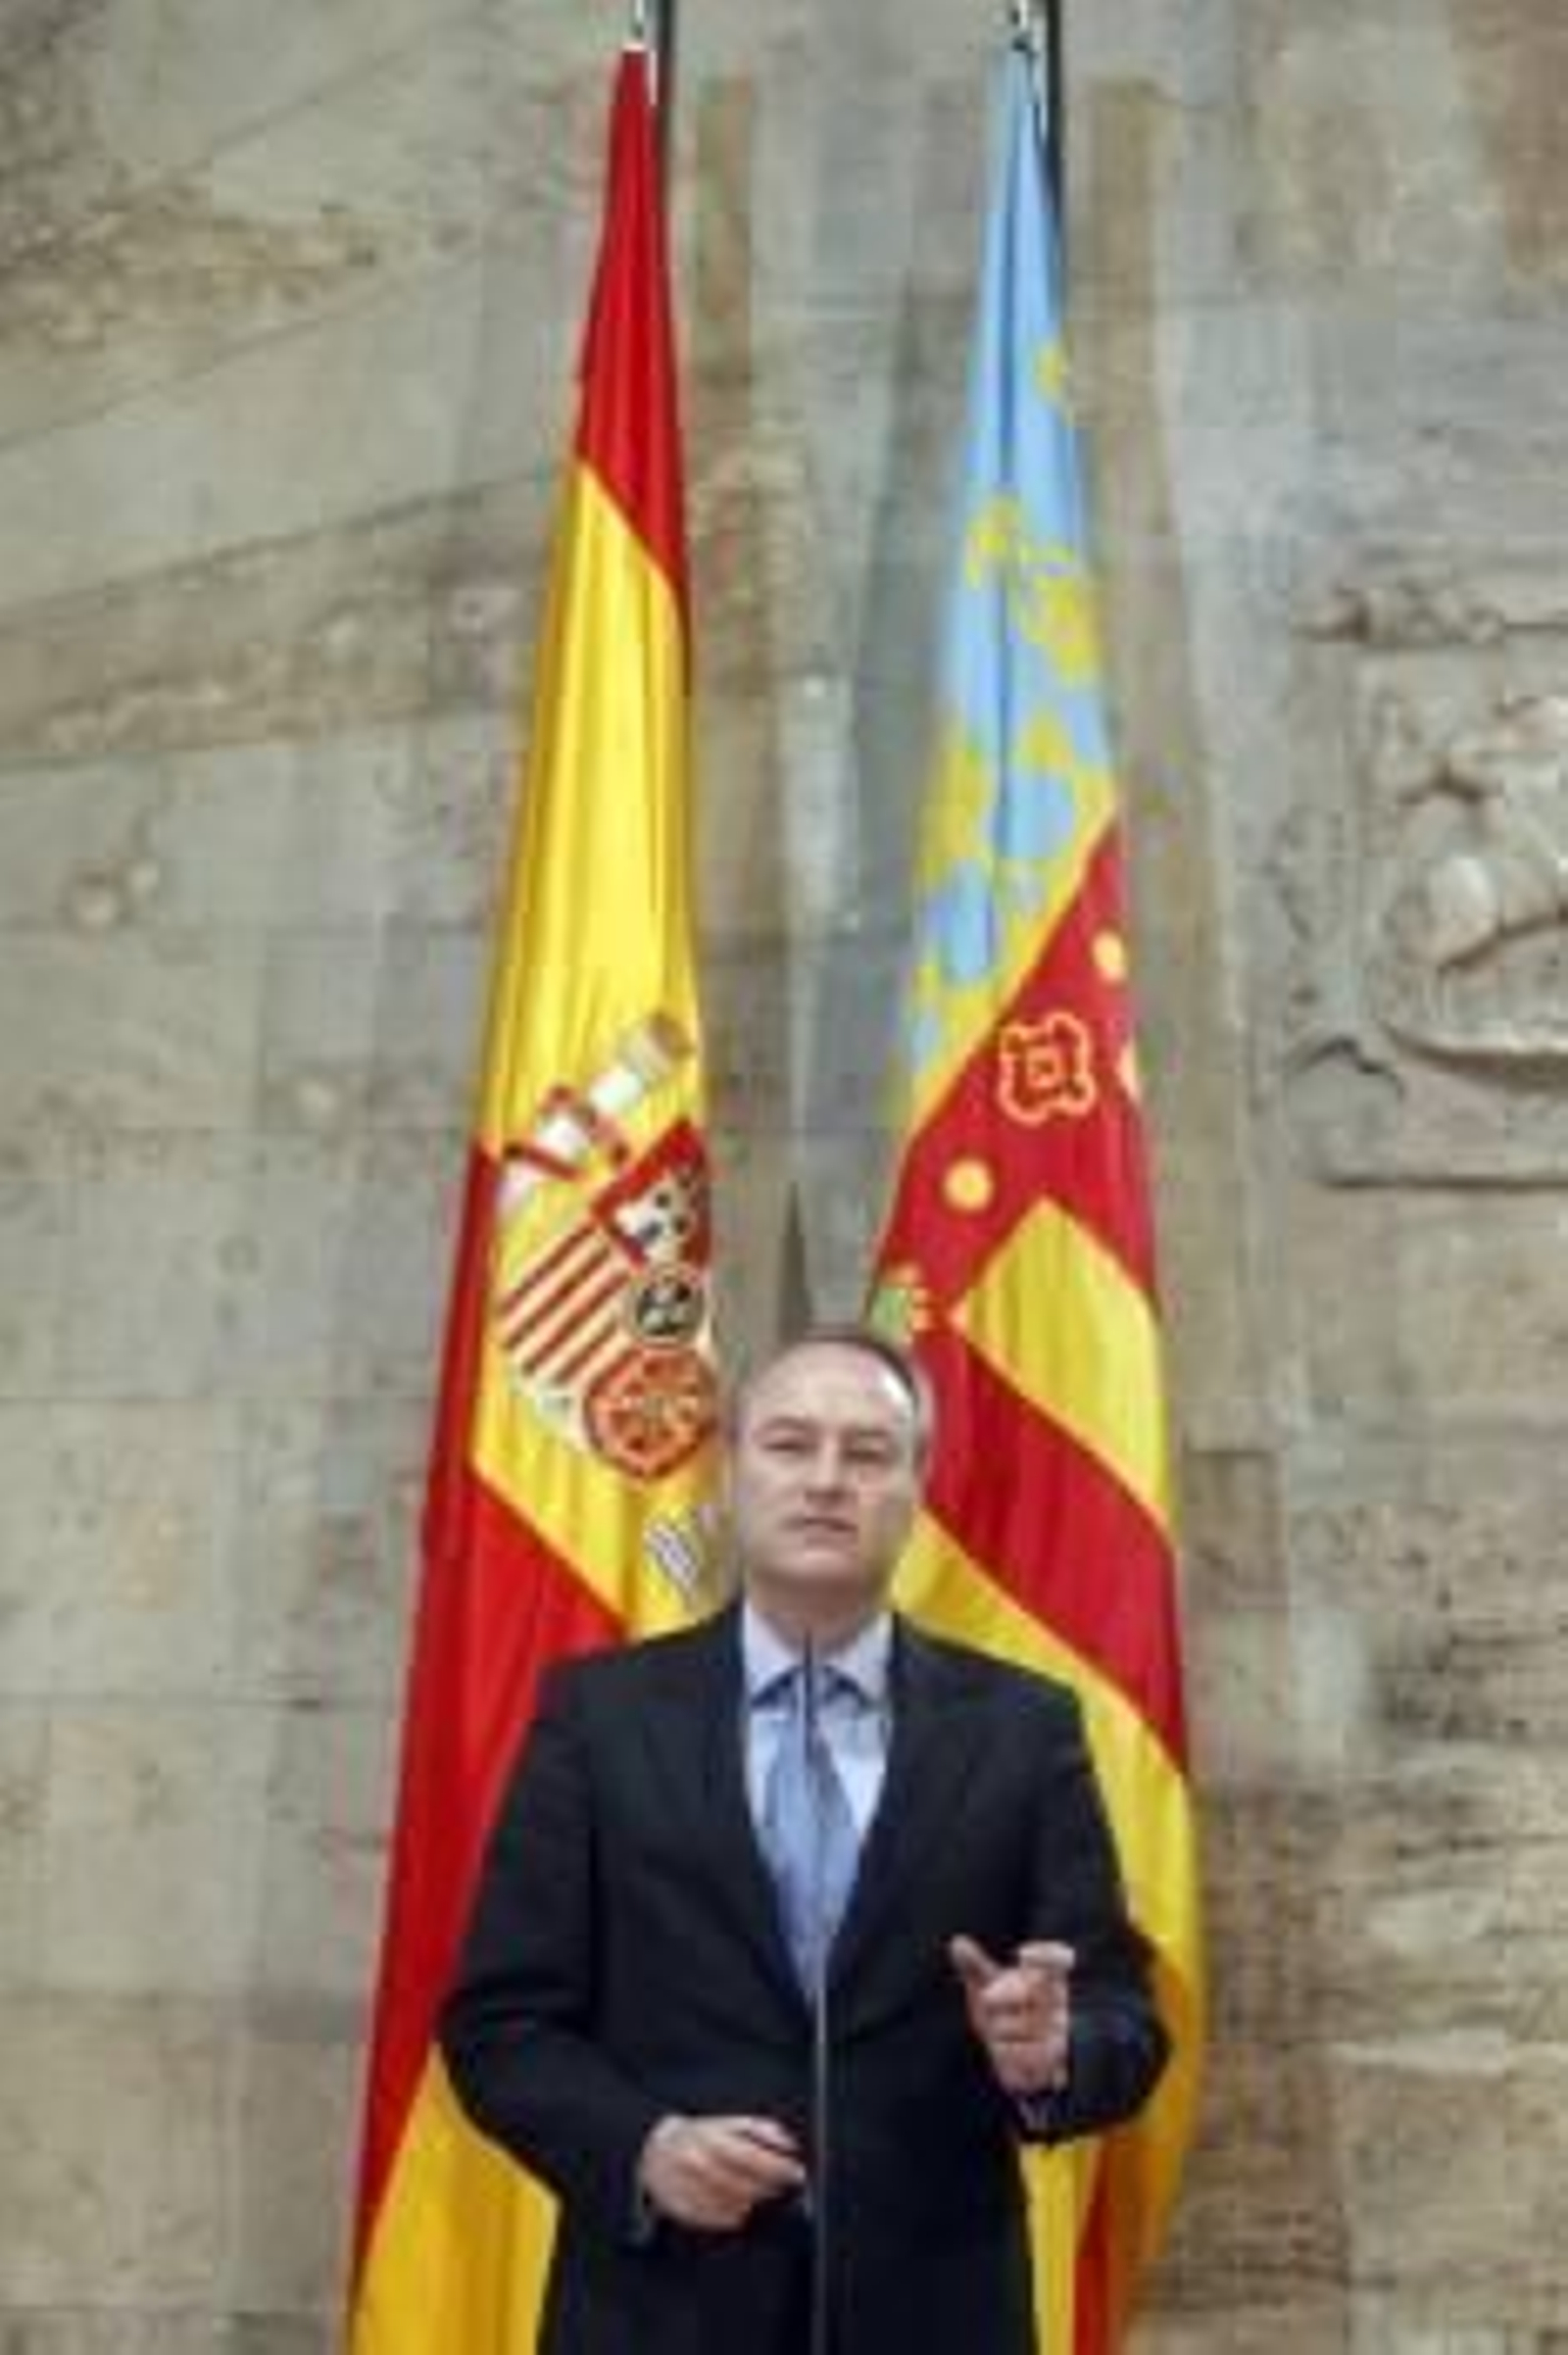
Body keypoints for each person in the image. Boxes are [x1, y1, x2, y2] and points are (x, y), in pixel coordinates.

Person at [440, 1327, 1169, 2354]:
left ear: (916, 1488)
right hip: (661, 2316)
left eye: (868, 1453)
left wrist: (1053, 2056)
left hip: (935, 2313)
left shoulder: (1021, 1728)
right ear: (731, 1472)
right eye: (790, 1445)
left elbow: (1122, 2019)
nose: (827, 1480)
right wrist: (642, 2150)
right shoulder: (600, 1719)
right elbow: (500, 2025)